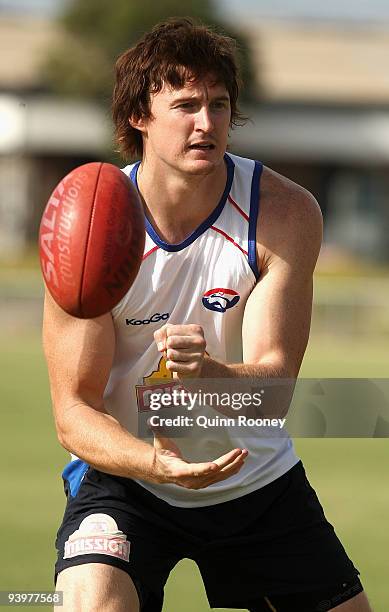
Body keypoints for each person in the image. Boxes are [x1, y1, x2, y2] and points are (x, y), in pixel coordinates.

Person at [43, 17, 372, 612]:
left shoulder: (284, 213)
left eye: (219, 105)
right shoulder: (88, 225)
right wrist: (155, 462)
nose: (207, 122)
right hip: (129, 480)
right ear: (138, 116)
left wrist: (208, 375)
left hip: (253, 475)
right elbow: (74, 412)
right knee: (91, 604)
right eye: (187, 104)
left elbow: (275, 390)